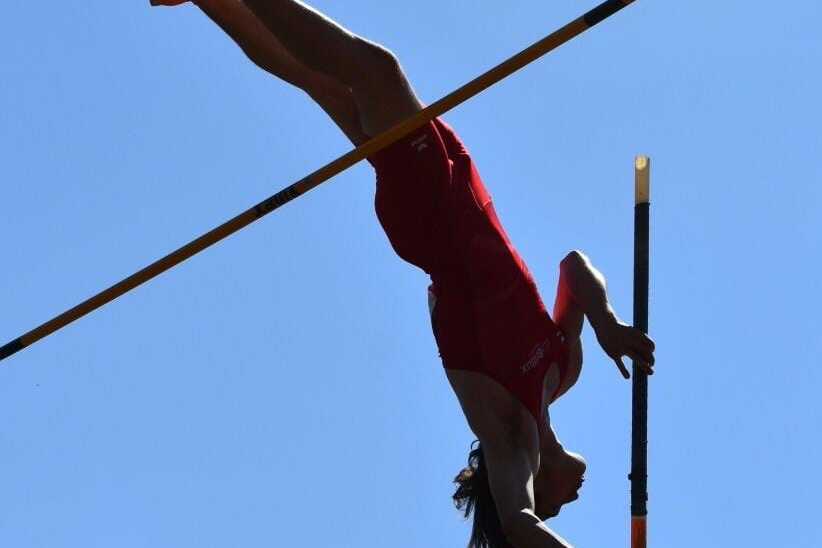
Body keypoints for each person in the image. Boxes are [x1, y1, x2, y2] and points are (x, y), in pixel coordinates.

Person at [149, 2, 656, 546]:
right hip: (459, 192)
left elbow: (519, 524)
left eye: (555, 512)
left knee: (376, 72)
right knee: (324, 84)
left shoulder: (509, 440)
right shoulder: (562, 367)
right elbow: (574, 268)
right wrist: (606, 323)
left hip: (435, 218)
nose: (569, 503)